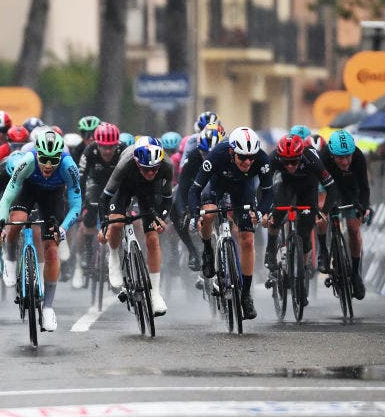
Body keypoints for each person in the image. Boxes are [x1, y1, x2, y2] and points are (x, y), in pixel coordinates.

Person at [0, 130, 82, 332]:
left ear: (60, 157)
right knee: (17, 221)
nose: (49, 165)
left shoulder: (69, 166)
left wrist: (63, 228)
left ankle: (48, 307)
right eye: (44, 159)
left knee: (51, 250)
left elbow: (76, 203)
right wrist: (1, 220)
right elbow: (9, 194)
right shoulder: (27, 160)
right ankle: (10, 258)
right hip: (27, 189)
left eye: (53, 160)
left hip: (53, 196)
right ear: (37, 154)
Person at [188, 126, 274, 320]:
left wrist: (260, 213)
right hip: (216, 186)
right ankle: (208, 249)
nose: (248, 161)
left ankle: (245, 295)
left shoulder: (261, 159)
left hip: (243, 189)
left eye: (251, 157)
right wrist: (195, 215)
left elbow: (268, 192)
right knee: (208, 214)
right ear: (231, 152)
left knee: (247, 240)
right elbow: (194, 190)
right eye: (242, 157)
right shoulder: (217, 155)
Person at [98, 137, 174, 316]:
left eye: (154, 169)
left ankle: (155, 293)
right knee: (116, 224)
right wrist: (104, 224)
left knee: (153, 237)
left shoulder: (166, 165)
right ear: (137, 162)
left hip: (149, 191)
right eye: (146, 169)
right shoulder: (126, 162)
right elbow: (105, 197)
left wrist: (162, 218)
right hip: (126, 186)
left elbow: (168, 199)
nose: (150, 172)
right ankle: (115, 258)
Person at [263, 134, 336, 307]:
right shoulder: (273, 157)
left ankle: (301, 276)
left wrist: (323, 212)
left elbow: (331, 188)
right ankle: (271, 248)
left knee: (304, 234)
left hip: (307, 188)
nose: (290, 166)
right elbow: (263, 186)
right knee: (277, 215)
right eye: (285, 162)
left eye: (294, 162)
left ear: (301, 156)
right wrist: (265, 212)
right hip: (285, 187)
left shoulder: (311, 157)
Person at [72, 122, 126, 289]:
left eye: (111, 147)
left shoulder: (124, 149)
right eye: (104, 147)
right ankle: (82, 263)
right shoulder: (89, 151)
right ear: (97, 144)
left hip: (117, 186)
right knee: (88, 220)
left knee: (123, 216)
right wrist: (80, 202)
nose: (108, 151)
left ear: (117, 144)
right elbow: (80, 178)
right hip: (95, 185)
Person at [319, 129, 370, 300]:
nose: (346, 161)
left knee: (354, 229)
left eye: (348, 156)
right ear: (332, 155)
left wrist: (363, 207)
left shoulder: (358, 157)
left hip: (350, 189)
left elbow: (364, 187)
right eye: (341, 158)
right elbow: (316, 186)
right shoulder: (324, 157)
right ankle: (323, 250)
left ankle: (355, 274)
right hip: (328, 186)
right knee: (321, 210)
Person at [170, 127, 221, 273]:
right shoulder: (192, 157)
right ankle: (192, 251)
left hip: (218, 191)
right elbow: (183, 187)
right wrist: (183, 212)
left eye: (212, 154)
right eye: (205, 153)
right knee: (176, 212)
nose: (208, 158)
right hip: (197, 192)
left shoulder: (226, 158)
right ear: (199, 150)